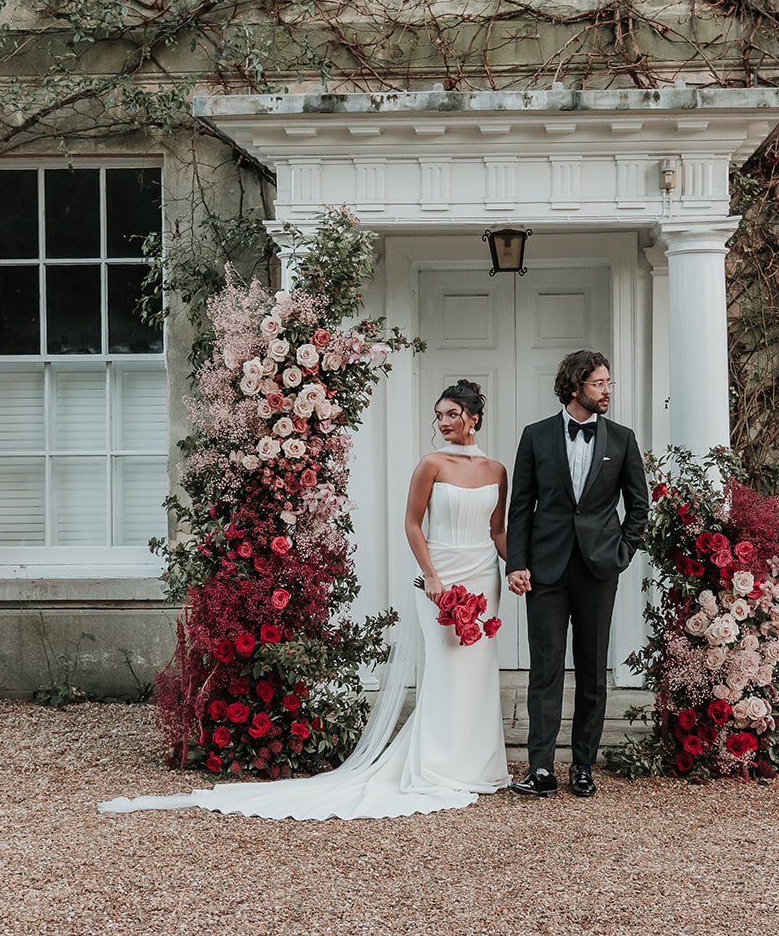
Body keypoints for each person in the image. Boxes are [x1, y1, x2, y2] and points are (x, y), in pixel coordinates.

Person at [100, 380, 511, 820]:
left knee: (479, 669)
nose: (443, 423)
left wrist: (522, 567)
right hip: (439, 577)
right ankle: (438, 766)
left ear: (474, 418)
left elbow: (498, 531)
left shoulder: (497, 471)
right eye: (439, 415)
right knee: (447, 667)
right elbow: (412, 525)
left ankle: (476, 764)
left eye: (452, 414)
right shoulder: (431, 463)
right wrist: (431, 575)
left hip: (484, 576)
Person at [505, 351, 649, 800]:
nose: (607, 390)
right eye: (599, 383)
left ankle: (583, 766)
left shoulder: (622, 439)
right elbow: (521, 507)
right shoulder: (535, 436)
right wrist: (516, 562)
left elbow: (639, 506)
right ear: (574, 387)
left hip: (598, 571)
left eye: (609, 383)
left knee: (591, 671)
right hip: (545, 571)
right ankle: (541, 768)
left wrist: (620, 553)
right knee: (544, 671)